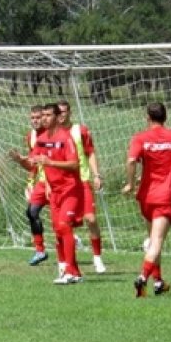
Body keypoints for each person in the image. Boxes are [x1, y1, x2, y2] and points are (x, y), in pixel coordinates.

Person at [122, 102, 171, 297]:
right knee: (156, 243)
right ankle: (143, 278)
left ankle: (158, 281)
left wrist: (130, 183)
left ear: (148, 117)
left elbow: (131, 161)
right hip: (166, 196)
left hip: (146, 197)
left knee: (153, 240)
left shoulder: (141, 138)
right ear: (166, 117)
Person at [28, 103, 84, 284]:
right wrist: (21, 160)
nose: (44, 118)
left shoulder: (65, 137)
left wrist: (50, 163)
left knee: (64, 226)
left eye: (48, 115)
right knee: (58, 230)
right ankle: (72, 272)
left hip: (71, 190)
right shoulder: (42, 139)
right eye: (42, 115)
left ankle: (69, 271)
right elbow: (33, 163)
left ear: (58, 117)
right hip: (55, 192)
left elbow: (75, 164)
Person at [57, 100, 106, 273]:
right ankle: (65, 262)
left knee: (91, 219)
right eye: (58, 112)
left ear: (70, 112)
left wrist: (96, 175)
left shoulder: (80, 131)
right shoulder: (52, 134)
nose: (61, 115)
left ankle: (97, 258)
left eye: (64, 111)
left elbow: (90, 152)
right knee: (64, 223)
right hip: (63, 186)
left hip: (83, 180)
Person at [11, 105, 51, 266]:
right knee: (31, 212)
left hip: (57, 182)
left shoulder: (53, 134)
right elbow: (32, 164)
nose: (35, 121)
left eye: (38, 117)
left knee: (62, 220)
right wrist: (21, 161)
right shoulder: (31, 137)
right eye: (32, 118)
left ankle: (69, 248)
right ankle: (40, 250)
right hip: (41, 182)